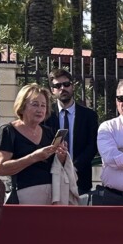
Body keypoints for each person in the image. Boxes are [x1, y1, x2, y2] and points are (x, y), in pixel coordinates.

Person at [0, 84, 70, 205]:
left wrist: (61, 157)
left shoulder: (49, 132)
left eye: (43, 105)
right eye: (35, 104)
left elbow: (55, 165)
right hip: (22, 198)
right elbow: (0, 168)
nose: (40, 110)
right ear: (22, 106)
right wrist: (33, 157)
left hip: (52, 197)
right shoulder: (8, 131)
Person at [43, 69, 98, 198]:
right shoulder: (46, 116)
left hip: (80, 178)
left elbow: (92, 146)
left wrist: (73, 167)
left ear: (72, 86)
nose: (63, 88)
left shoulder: (89, 115)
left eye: (66, 84)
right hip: (51, 177)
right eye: (58, 86)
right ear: (52, 90)